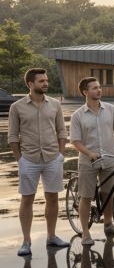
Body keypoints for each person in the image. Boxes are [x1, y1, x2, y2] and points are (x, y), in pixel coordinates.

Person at [8, 67, 70, 257]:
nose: (46, 83)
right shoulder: (17, 107)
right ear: (30, 84)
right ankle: (26, 241)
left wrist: (60, 154)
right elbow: (13, 136)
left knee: (52, 198)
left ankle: (51, 236)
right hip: (29, 159)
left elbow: (62, 131)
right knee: (27, 199)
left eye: (46, 80)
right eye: (41, 81)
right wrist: (21, 160)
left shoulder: (54, 105)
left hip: (52, 158)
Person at [70, 77, 114, 245]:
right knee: (86, 196)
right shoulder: (78, 115)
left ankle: (108, 223)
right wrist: (89, 153)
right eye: (94, 88)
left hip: (109, 158)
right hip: (88, 162)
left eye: (99, 87)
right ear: (85, 92)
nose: (99, 90)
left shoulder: (111, 109)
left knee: (109, 193)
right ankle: (85, 232)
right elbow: (75, 141)